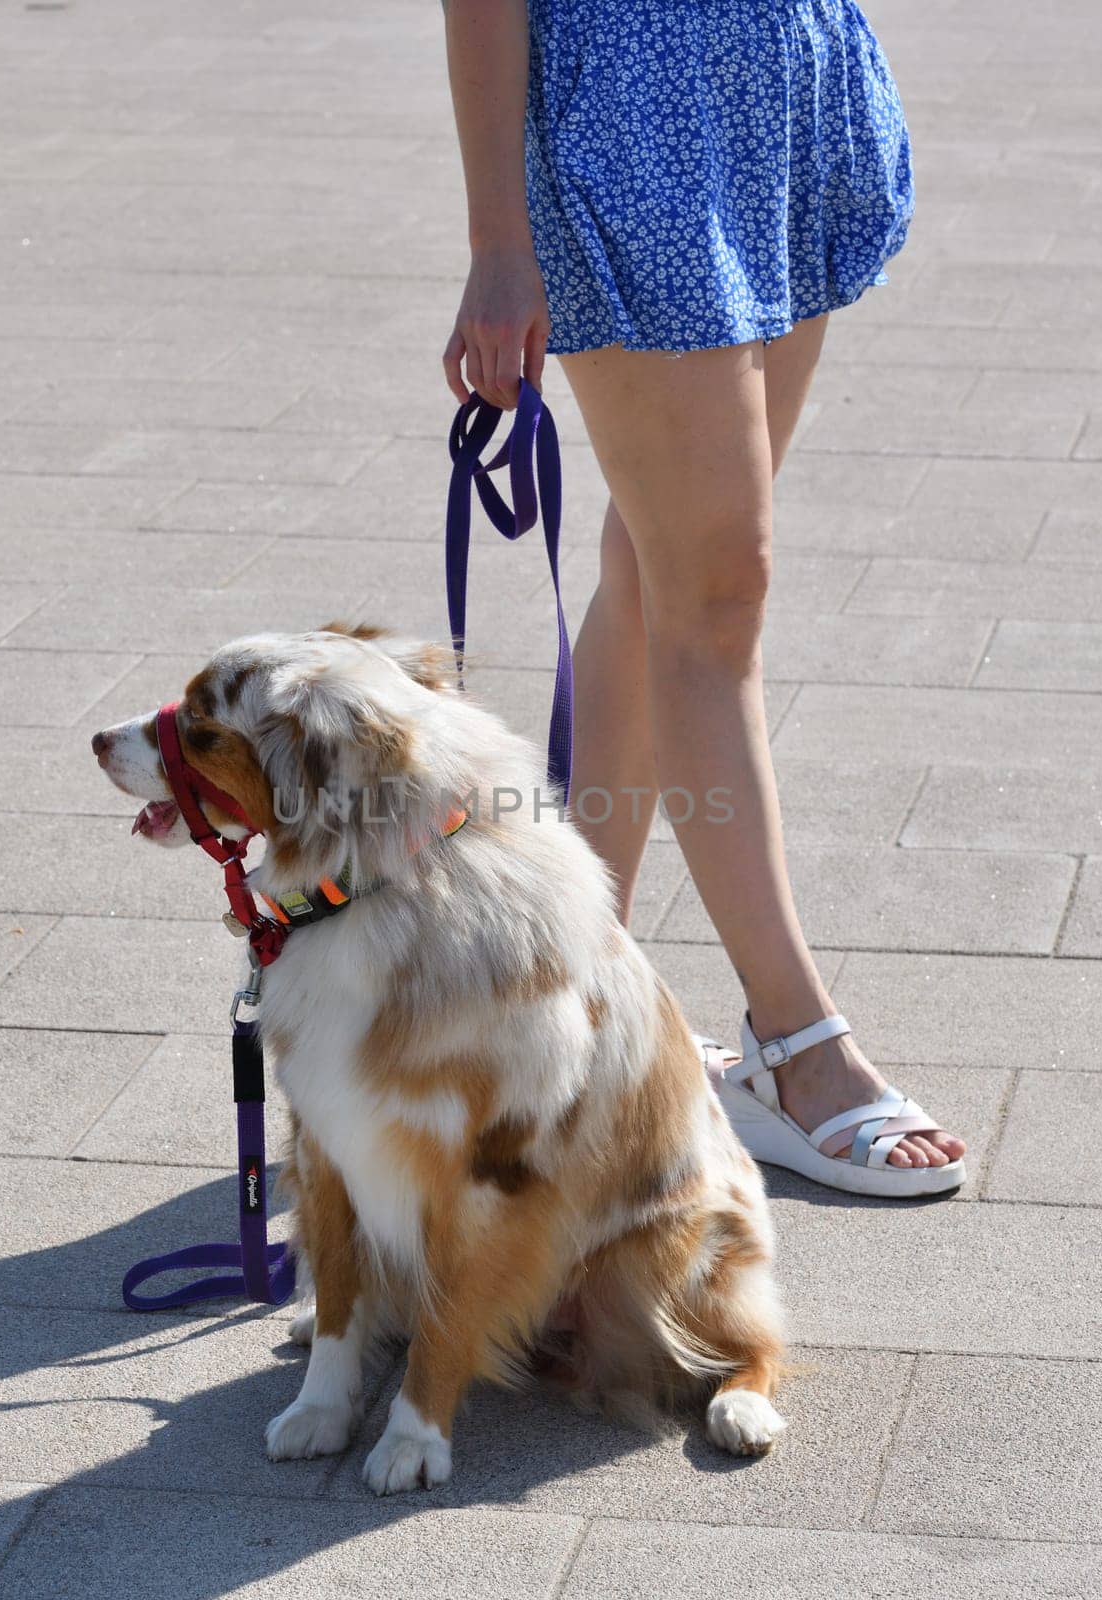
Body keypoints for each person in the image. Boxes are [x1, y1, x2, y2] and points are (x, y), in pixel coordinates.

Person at [438, 0, 967, 1196]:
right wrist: (498, 239)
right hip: (634, 120)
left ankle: (563, 1002)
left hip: (786, 87)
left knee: (659, 568)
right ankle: (795, 1044)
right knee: (715, 595)